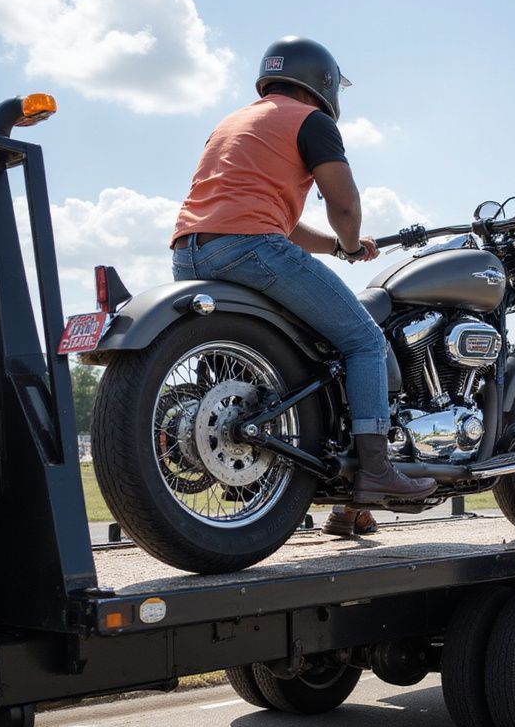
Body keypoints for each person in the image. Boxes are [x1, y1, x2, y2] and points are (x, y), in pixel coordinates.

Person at [170, 36, 436, 506]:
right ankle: (376, 468)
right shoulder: (310, 121)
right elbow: (345, 203)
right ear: (324, 82)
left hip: (191, 251)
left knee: (301, 349)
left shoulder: (234, 123)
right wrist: (352, 240)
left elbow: (279, 223)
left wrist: (338, 249)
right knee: (364, 340)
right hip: (249, 247)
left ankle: (272, 461)